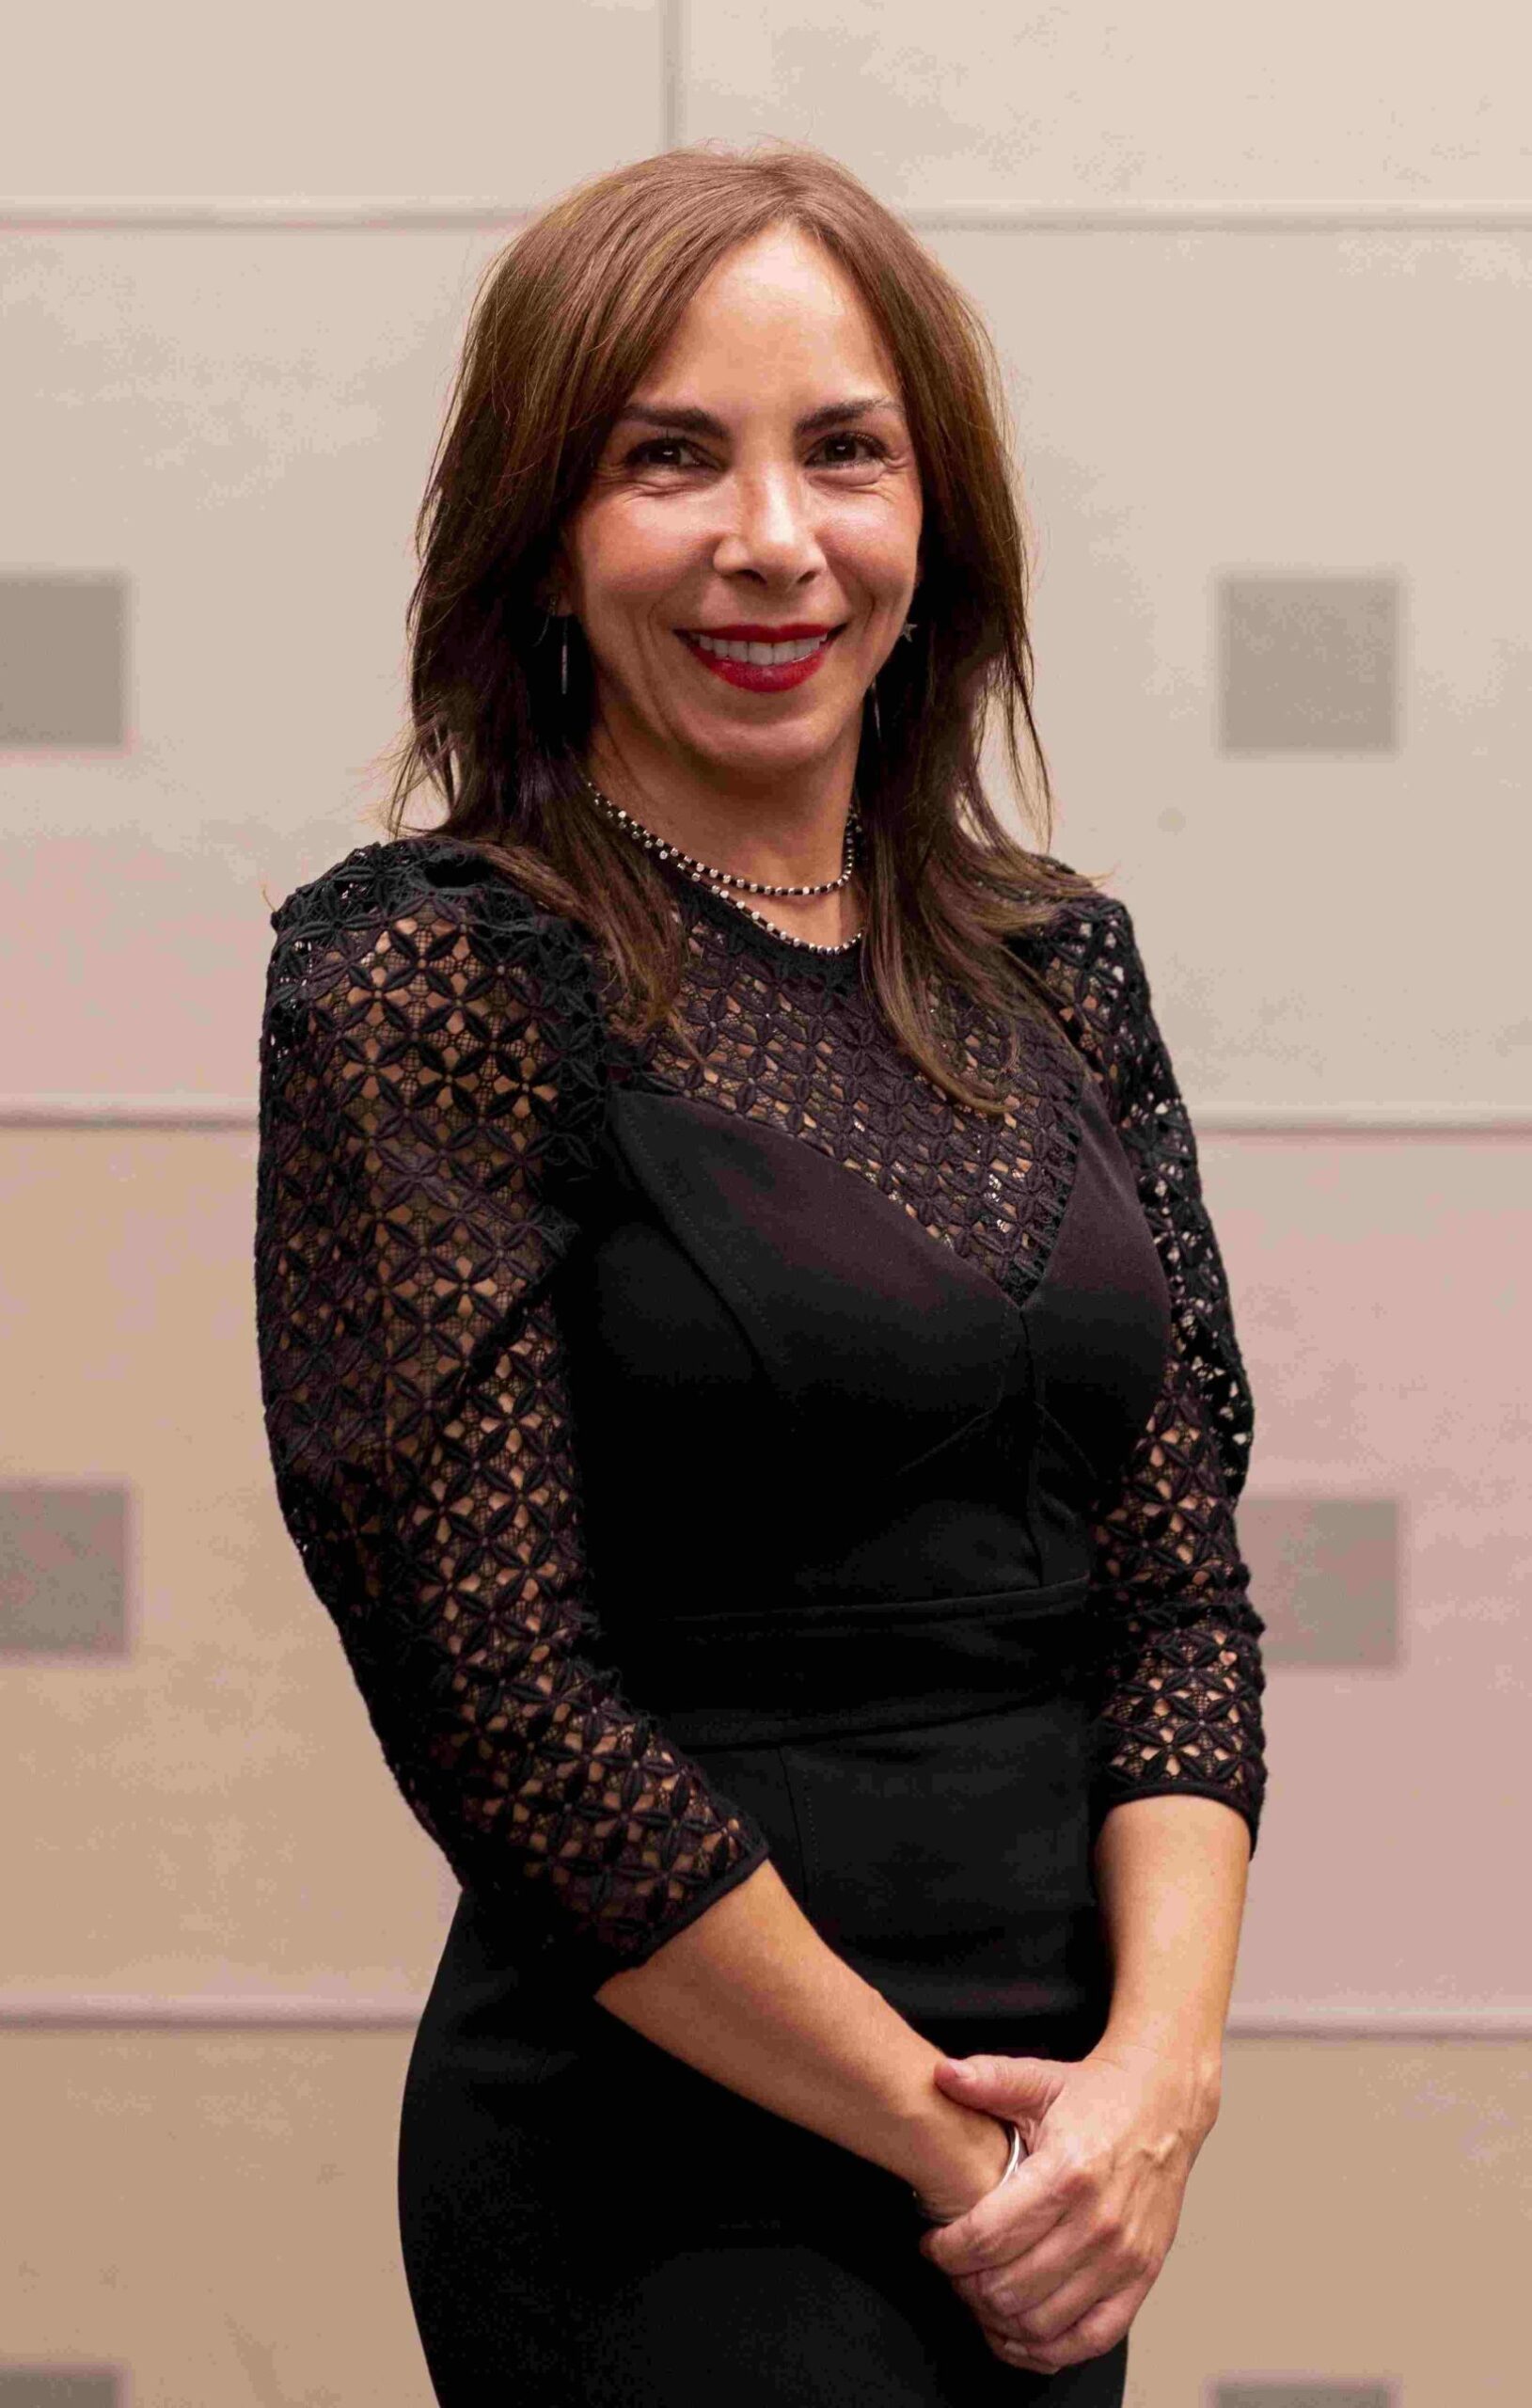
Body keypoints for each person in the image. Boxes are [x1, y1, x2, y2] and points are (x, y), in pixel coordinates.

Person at [253, 142, 1268, 2407]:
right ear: (543, 534)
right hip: (673, 2157)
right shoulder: (434, 973)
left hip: (1055, 2159)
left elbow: (1178, 1590)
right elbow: (495, 1703)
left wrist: (1151, 2088)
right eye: (668, 458)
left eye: (843, 450)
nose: (771, 539)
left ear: (935, 517)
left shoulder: (1051, 966)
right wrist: (946, 2141)